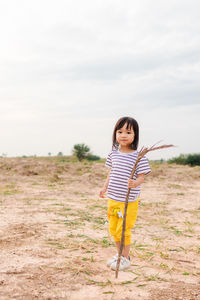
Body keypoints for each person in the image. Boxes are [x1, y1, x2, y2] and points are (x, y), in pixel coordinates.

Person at [99, 116, 151, 271]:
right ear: (115, 134)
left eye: (128, 132)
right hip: (113, 200)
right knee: (114, 229)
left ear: (135, 135)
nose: (123, 135)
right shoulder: (113, 154)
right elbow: (111, 172)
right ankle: (119, 255)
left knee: (123, 230)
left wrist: (135, 183)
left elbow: (142, 176)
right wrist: (104, 187)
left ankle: (125, 258)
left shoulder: (138, 156)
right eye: (119, 131)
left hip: (128, 202)